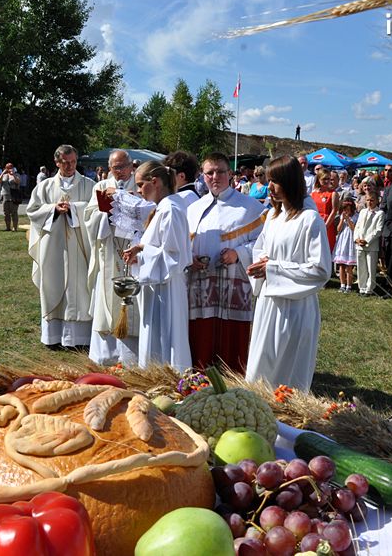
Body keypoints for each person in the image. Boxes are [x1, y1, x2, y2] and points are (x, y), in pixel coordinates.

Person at [245, 155, 330, 392]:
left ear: (290, 182)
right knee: (260, 367)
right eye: (268, 180)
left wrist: (272, 268)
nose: (268, 187)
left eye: (275, 181)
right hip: (269, 302)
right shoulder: (274, 216)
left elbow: (320, 269)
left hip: (295, 307)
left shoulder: (310, 220)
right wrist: (261, 262)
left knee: (287, 371)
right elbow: (261, 248)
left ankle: (285, 412)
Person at [187, 152, 267, 374]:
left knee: (232, 337)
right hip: (200, 286)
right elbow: (183, 242)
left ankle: (233, 378)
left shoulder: (250, 207)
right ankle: (199, 378)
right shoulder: (194, 209)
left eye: (220, 172)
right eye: (209, 173)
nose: (215, 177)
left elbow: (263, 243)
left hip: (234, 285)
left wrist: (238, 253)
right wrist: (189, 258)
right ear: (202, 175)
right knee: (201, 336)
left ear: (230, 174)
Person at [122, 162, 192, 371]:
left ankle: (168, 375)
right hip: (158, 284)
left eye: (140, 185)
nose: (138, 191)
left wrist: (142, 250)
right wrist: (140, 253)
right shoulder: (163, 208)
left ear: (155, 182)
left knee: (165, 336)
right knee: (155, 335)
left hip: (167, 287)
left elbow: (173, 255)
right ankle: (154, 375)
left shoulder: (171, 210)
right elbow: (161, 247)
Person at [27, 145, 95, 348]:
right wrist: (53, 210)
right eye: (66, 163)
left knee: (79, 288)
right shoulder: (45, 186)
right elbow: (33, 211)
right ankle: (53, 337)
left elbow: (96, 210)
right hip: (53, 246)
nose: (70, 166)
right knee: (52, 283)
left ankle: (79, 338)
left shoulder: (89, 185)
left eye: (73, 162)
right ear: (57, 162)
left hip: (80, 247)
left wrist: (75, 209)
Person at [84, 149, 139, 366]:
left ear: (131, 166)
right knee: (106, 298)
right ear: (109, 168)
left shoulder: (139, 184)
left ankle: (131, 356)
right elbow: (89, 217)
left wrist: (132, 202)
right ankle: (106, 355)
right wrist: (106, 211)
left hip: (132, 249)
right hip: (109, 249)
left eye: (124, 166)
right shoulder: (101, 187)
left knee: (133, 300)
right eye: (116, 168)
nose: (121, 171)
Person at [354, 190, 385, 295]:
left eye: (372, 200)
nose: (369, 202)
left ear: (377, 201)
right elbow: (357, 226)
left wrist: (366, 240)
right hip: (359, 244)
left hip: (371, 245)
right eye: (367, 200)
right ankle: (362, 287)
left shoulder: (380, 213)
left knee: (371, 268)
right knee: (361, 267)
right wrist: (356, 238)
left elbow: (378, 230)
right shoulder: (362, 211)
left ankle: (369, 288)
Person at [333, 196, 358, 292]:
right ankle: (342, 284)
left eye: (348, 209)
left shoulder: (356, 216)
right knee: (341, 265)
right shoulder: (341, 216)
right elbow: (338, 229)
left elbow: (353, 228)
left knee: (349, 266)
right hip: (342, 240)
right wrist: (342, 219)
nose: (346, 211)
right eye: (344, 209)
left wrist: (348, 219)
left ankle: (349, 286)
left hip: (350, 240)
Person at [312, 171, 338, 252]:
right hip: (315, 223)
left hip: (327, 224)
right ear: (319, 179)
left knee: (326, 250)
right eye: (324, 179)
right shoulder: (313, 194)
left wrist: (325, 226)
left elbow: (334, 211)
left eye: (328, 179)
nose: (327, 181)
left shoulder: (333, 193)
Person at [0, 163, 21, 231]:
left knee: (14, 212)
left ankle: (15, 227)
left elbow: (18, 182)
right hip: (5, 195)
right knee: (6, 213)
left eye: (10, 167)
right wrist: (3, 173)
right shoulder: (4, 175)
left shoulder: (16, 175)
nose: (9, 169)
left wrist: (13, 174)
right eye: (7, 167)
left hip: (13, 195)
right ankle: (8, 227)